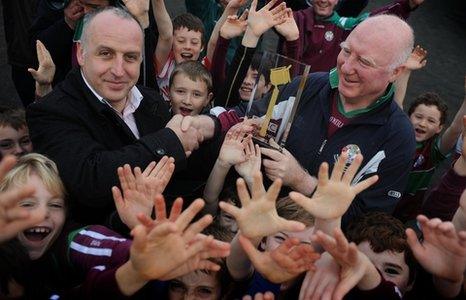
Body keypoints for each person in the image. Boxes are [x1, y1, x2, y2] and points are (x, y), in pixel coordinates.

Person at [26, 7, 218, 225]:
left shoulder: (151, 101)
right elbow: (91, 180)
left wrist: (214, 127)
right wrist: (169, 139)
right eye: (106, 54)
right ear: (81, 53)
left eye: (130, 57)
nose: (118, 70)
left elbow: (181, 170)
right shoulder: (50, 111)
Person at [250, 14, 416, 226]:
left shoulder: (398, 137)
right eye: (346, 51)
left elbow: (369, 224)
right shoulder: (308, 85)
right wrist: (207, 126)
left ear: (396, 72)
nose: (346, 67)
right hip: (255, 221)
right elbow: (249, 115)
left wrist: (303, 182)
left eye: (365, 62)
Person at [283, 0, 423, 72]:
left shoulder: (345, 25)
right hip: (284, 88)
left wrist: (407, 5)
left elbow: (377, 17)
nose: (323, 0)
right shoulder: (293, 18)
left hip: (317, 95)